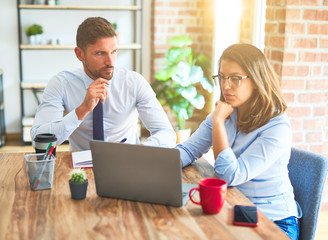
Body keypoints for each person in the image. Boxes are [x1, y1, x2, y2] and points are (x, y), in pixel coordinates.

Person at [176, 43, 301, 240]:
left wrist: (218, 121)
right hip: (234, 208)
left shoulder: (277, 127)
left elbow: (230, 175)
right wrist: (162, 164)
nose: (226, 85)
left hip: (273, 221)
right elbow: (190, 149)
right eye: (223, 77)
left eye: (235, 78)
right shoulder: (228, 111)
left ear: (257, 79)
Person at [31, 17, 176, 150]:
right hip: (79, 169)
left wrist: (139, 151)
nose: (110, 62)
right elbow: (38, 140)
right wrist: (82, 110)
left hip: (127, 161)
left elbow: (166, 132)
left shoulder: (134, 82)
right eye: (100, 53)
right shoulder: (61, 83)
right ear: (79, 54)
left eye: (113, 51)